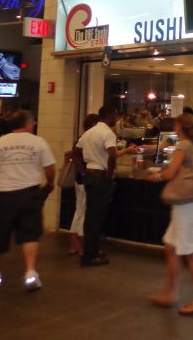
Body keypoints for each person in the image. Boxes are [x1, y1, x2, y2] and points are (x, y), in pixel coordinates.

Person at [0, 110, 55, 290]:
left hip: (3, 196)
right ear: (28, 124)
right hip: (30, 194)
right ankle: (30, 273)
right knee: (30, 234)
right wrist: (50, 183)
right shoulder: (39, 142)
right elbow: (49, 168)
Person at [146, 114, 193, 315]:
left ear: (179, 126)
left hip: (185, 205)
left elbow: (170, 173)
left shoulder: (183, 146)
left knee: (191, 253)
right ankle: (169, 293)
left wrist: (156, 176)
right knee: (171, 246)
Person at [75, 106, 134, 266]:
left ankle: (90, 252)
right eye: (115, 115)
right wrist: (109, 175)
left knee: (91, 216)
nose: (116, 119)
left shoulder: (89, 132)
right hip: (100, 177)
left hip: (89, 175)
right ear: (110, 116)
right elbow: (112, 155)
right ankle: (90, 256)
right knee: (97, 217)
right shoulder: (107, 133)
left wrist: (82, 170)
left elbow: (75, 151)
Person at [67, 113, 100, 258]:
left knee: (79, 211)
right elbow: (76, 157)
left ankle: (73, 244)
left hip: (78, 180)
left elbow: (71, 155)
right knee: (85, 212)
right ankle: (82, 247)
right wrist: (85, 172)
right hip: (85, 179)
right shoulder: (87, 139)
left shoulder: (80, 139)